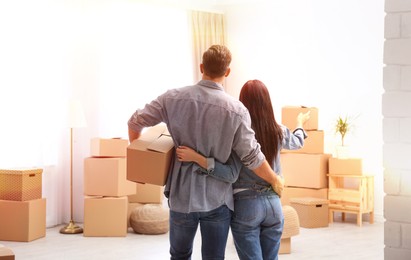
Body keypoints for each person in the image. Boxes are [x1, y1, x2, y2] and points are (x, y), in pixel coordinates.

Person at [127, 45, 283, 260]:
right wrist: (274, 179)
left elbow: (135, 122)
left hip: (182, 197)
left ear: (201, 67)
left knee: (179, 255)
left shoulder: (172, 98)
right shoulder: (237, 110)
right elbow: (252, 156)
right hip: (217, 200)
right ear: (227, 72)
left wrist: (142, 167)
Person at [176, 79, 310, 260]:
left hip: (247, 205)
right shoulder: (278, 130)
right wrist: (300, 123)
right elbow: (297, 141)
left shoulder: (239, 132)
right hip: (274, 205)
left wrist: (198, 158)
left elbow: (229, 173)